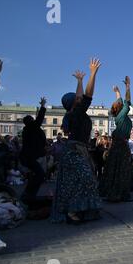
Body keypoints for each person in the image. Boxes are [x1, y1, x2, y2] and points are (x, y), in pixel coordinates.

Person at [51, 58, 102, 224]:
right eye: (77, 100)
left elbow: (83, 98)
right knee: (85, 179)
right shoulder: (75, 114)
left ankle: (81, 210)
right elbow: (85, 96)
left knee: (77, 181)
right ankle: (73, 211)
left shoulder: (77, 114)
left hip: (78, 151)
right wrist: (91, 74)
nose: (80, 100)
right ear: (73, 103)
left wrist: (82, 79)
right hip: (74, 152)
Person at [99, 76, 133, 202]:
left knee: (116, 169)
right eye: (120, 104)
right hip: (121, 146)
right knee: (122, 170)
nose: (121, 103)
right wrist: (128, 87)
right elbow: (127, 101)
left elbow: (121, 101)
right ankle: (118, 194)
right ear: (120, 108)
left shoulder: (119, 116)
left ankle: (115, 192)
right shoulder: (122, 115)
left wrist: (117, 92)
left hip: (119, 145)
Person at [20, 97, 48, 203]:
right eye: (32, 120)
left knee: (38, 175)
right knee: (40, 175)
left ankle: (29, 194)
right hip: (29, 157)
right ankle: (29, 194)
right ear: (30, 122)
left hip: (29, 157)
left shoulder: (29, 129)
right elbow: (40, 118)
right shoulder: (31, 128)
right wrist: (43, 106)